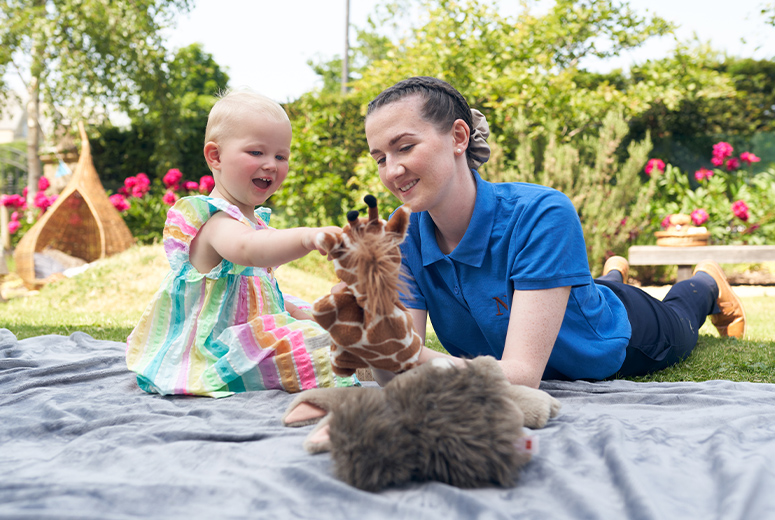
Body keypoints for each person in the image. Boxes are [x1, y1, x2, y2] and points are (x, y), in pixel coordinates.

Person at [363, 76, 746, 388]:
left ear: (459, 138)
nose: (392, 171)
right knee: (588, 289)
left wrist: (397, 349)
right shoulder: (399, 237)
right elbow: (399, 370)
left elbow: (521, 376)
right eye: (380, 158)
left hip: (620, 337)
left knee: (680, 314)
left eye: (405, 147)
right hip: (556, 303)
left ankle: (708, 283)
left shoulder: (541, 213)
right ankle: (608, 275)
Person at [126, 88, 357, 397]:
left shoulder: (253, 222)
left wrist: (315, 317)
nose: (271, 164)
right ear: (216, 156)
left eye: (280, 156)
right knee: (317, 349)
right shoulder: (215, 221)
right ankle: (350, 363)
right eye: (256, 153)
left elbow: (259, 295)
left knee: (326, 322)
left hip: (251, 332)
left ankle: (361, 353)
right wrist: (307, 237)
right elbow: (251, 249)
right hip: (218, 349)